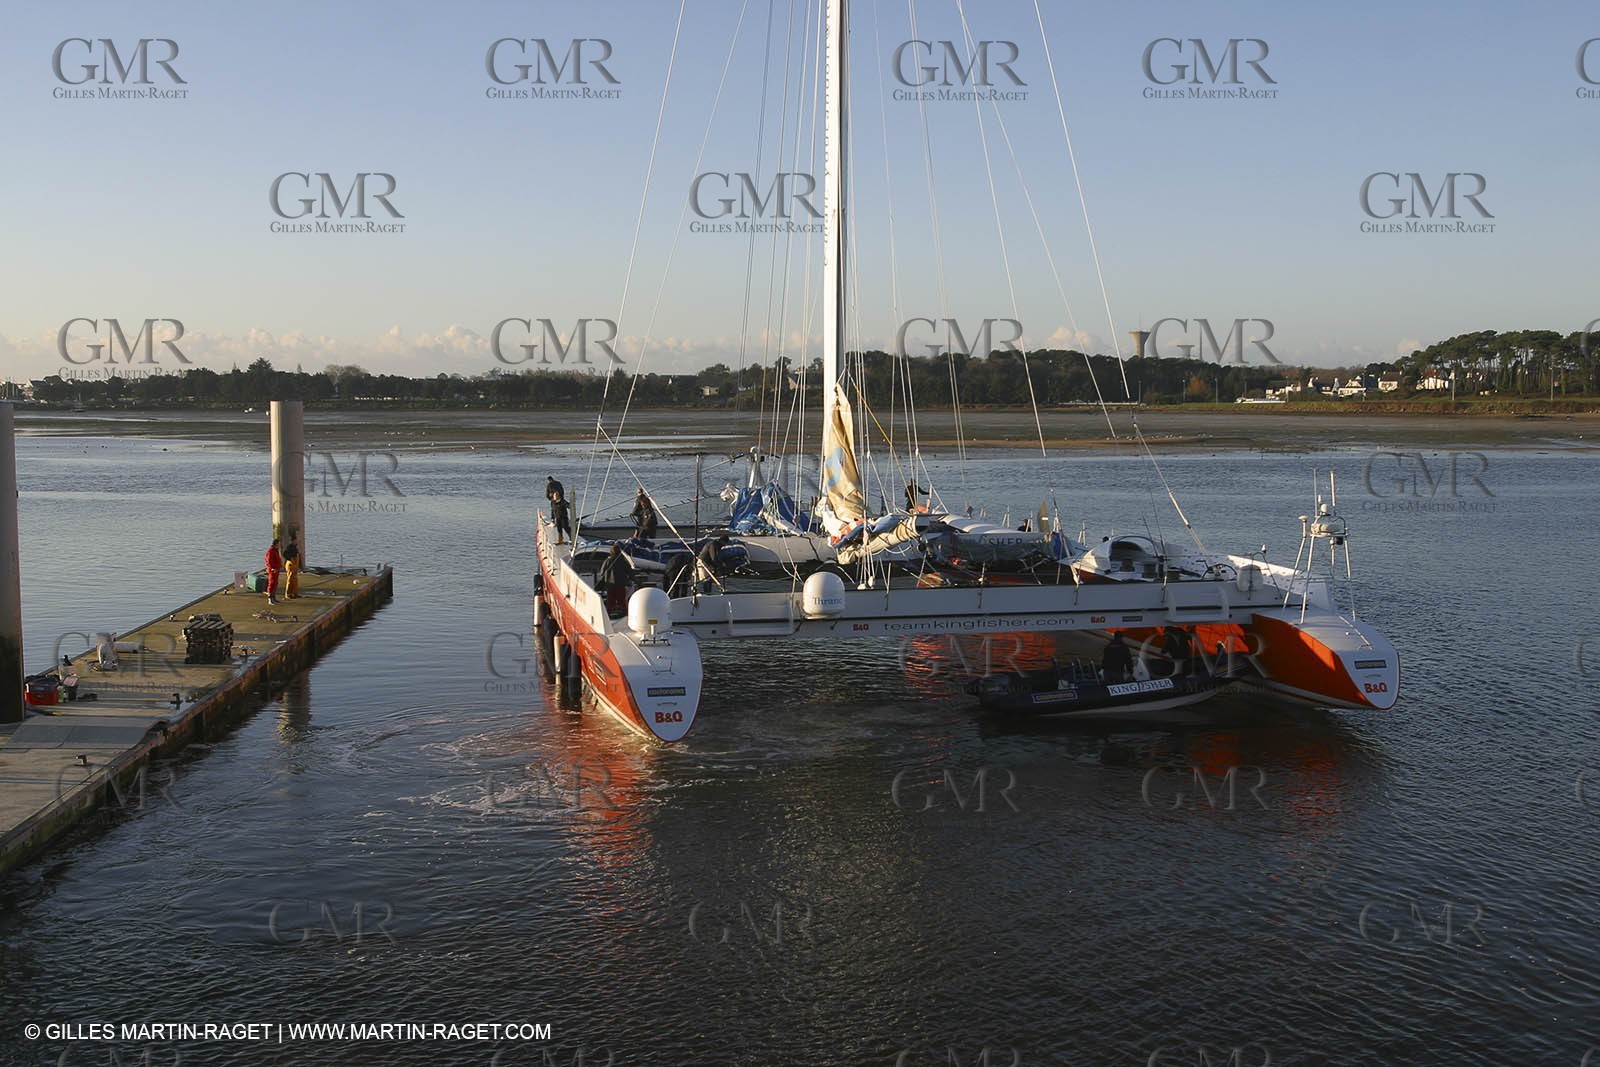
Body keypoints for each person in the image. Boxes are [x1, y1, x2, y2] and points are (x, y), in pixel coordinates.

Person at [597, 543, 634, 615]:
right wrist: (632, 579)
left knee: (610, 601)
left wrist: (602, 582)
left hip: (610, 584)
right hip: (620, 584)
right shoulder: (623, 561)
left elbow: (602, 572)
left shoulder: (607, 561)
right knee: (622, 601)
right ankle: (625, 614)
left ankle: (608, 614)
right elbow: (630, 571)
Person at [282, 532, 301, 598]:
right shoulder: (289, 547)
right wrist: (290, 558)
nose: (297, 541)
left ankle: (295, 593)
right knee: (290, 579)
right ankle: (288, 594)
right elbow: (284, 554)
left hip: (295, 565)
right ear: (293, 540)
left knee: (295, 579)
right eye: (296, 540)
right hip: (290, 565)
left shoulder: (295, 547)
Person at [264, 539, 283, 605]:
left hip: (276, 569)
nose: (280, 545)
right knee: (271, 583)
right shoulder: (271, 551)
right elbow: (269, 561)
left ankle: (273, 598)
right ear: (276, 544)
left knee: (275, 583)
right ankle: (270, 599)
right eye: (279, 544)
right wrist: (272, 568)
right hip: (272, 570)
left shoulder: (275, 551)